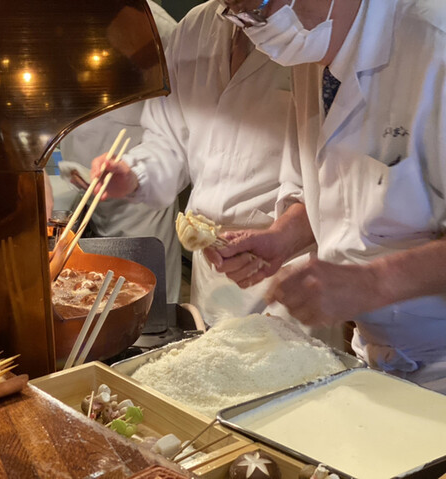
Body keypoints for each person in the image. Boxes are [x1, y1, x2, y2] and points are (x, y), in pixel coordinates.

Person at [209, 0, 446, 392]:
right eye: (236, 14)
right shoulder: (312, 53)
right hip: (374, 355)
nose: (255, 28)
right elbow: (339, 188)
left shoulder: (435, 45)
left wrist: (374, 282)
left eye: (258, 9)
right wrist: (282, 237)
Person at [90, 0, 299, 327]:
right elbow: (169, 140)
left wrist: (287, 235)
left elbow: (332, 172)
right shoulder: (197, 27)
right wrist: (134, 173)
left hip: (288, 265)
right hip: (211, 263)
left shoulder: (307, 26)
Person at [53, 0, 182, 303]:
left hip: (141, 195)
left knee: (148, 295)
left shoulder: (146, 22)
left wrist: (135, 172)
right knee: (92, 292)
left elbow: (178, 122)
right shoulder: (58, 18)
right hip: (85, 182)